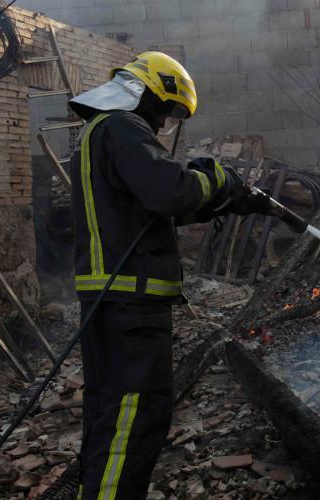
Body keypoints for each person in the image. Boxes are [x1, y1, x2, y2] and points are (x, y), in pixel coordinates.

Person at [67, 51, 271, 499]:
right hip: (130, 304)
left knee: (111, 417)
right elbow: (170, 189)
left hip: (114, 303)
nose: (164, 124)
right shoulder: (122, 127)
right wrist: (218, 176)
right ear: (148, 92)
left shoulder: (98, 134)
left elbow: (146, 211)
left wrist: (226, 201)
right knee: (134, 422)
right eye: (167, 110)